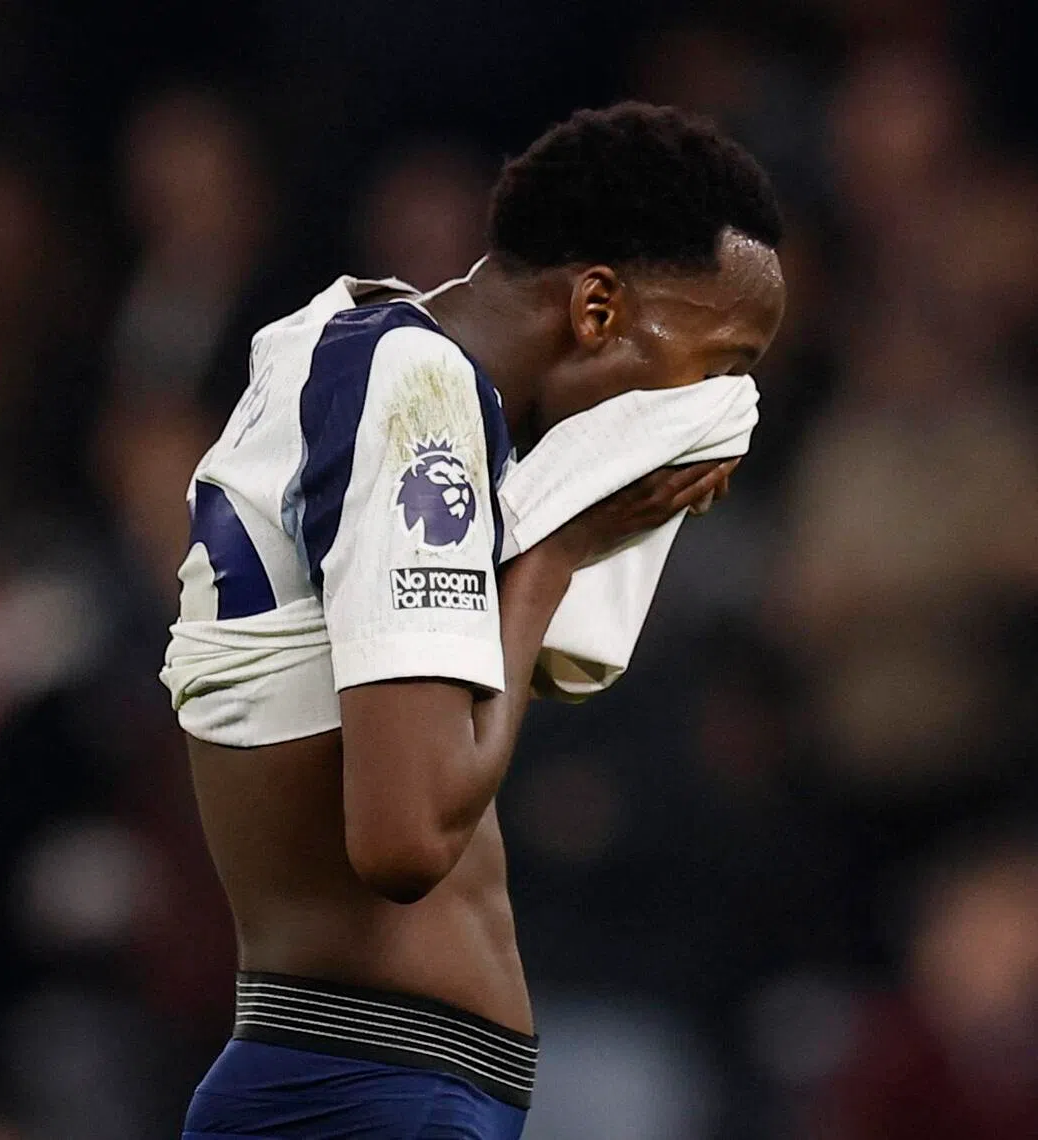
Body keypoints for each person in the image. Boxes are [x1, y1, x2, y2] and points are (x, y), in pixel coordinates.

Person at [161, 102, 785, 1139]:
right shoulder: (418, 398)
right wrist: (552, 554)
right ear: (596, 308)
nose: (721, 411)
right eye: (722, 364)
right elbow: (403, 839)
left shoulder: (352, 348)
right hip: (372, 1087)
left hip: (349, 1078)